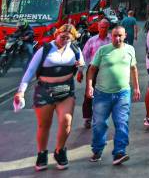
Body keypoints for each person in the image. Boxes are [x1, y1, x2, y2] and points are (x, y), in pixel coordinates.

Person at [14, 24, 83, 171]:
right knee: (44, 125)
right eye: (62, 36)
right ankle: (42, 153)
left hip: (66, 90)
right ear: (56, 34)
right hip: (44, 91)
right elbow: (30, 71)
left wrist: (81, 67)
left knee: (66, 121)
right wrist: (21, 91)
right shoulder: (44, 50)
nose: (64, 40)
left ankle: (60, 151)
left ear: (73, 38)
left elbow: (81, 64)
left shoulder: (75, 49)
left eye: (68, 38)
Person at [85, 26, 140, 166]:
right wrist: (89, 86)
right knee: (99, 124)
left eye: (120, 36)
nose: (117, 38)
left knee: (122, 122)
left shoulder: (130, 50)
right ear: (111, 35)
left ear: (125, 35)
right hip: (102, 94)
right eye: (115, 35)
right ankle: (97, 150)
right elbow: (92, 69)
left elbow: (133, 68)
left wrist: (136, 88)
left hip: (123, 93)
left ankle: (119, 152)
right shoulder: (103, 50)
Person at [79, 19, 112, 129]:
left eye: (105, 27)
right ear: (98, 28)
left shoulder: (112, 40)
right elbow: (83, 56)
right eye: (101, 27)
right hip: (93, 69)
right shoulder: (92, 40)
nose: (103, 29)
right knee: (89, 93)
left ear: (108, 28)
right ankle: (87, 118)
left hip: (107, 70)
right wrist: (80, 71)